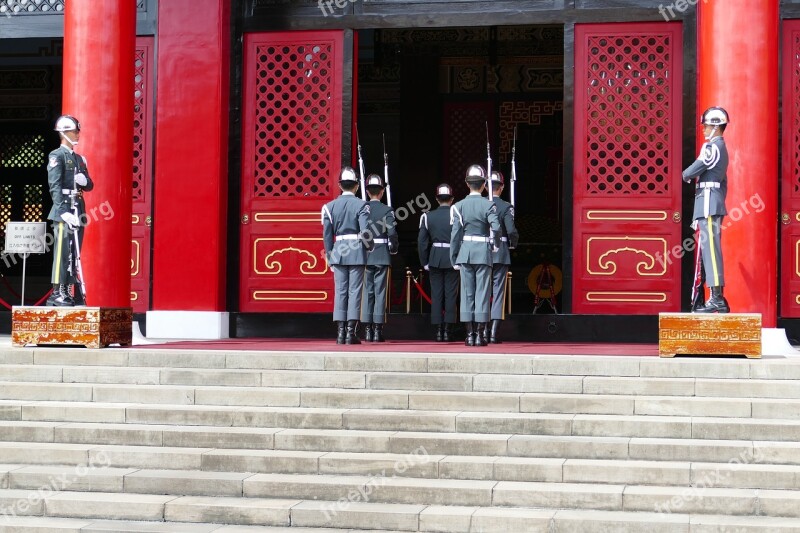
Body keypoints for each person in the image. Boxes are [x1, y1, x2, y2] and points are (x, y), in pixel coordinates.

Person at [682, 106, 730, 313]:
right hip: (709, 202)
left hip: (709, 203)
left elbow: (697, 167)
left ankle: (717, 298)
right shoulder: (720, 147)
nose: (703, 129)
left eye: (707, 125)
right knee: (709, 251)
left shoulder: (713, 147)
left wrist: (684, 174)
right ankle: (715, 297)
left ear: (716, 127)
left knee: (711, 251)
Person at [450, 164, 501, 346]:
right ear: (483, 184)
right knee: (482, 293)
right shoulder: (489, 205)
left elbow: (455, 235)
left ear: (467, 183)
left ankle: (469, 334)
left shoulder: (458, 206)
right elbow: (496, 228)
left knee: (467, 294)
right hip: (483, 253)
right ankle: (480, 335)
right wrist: (494, 245)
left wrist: (454, 256)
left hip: (465, 253)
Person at [46, 114, 93, 307]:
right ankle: (58, 291)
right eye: (74, 131)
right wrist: (63, 211)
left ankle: (68, 290)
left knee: (75, 252)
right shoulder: (57, 156)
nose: (78, 134)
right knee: (62, 252)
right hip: (64, 210)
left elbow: (89, 185)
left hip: (78, 208)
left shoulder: (80, 159)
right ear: (64, 133)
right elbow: (54, 186)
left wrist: (85, 181)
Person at [322, 166, 373, 344]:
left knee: (340, 291)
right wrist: (369, 247)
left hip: (338, 250)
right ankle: (351, 332)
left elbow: (327, 235)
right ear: (357, 186)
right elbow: (365, 230)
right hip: (356, 249)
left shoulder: (329, 207)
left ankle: (340, 332)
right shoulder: (361, 205)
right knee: (355, 291)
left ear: (339, 185)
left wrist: (329, 255)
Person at [418, 183, 459, 342]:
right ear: (452, 199)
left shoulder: (427, 216)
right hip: (451, 258)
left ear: (436, 199)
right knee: (450, 294)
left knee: (436, 294)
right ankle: (448, 330)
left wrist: (424, 262)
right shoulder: (457, 216)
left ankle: (438, 331)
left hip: (435, 257)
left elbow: (422, 243)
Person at [361, 174, 398, 342]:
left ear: (368, 192)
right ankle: (377, 330)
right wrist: (394, 248)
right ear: (382, 191)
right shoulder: (387, 210)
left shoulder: (362, 208)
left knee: (368, 292)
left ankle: (367, 329)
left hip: (366, 254)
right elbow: (392, 233)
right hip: (382, 253)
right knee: (380, 292)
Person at [485, 170, 519, 343]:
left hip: (483, 251)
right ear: (502, 187)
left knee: (482, 291)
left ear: (486, 187)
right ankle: (492, 333)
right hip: (501, 251)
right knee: (498, 292)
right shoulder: (506, 207)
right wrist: (512, 244)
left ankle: (482, 330)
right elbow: (511, 230)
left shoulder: (482, 204)